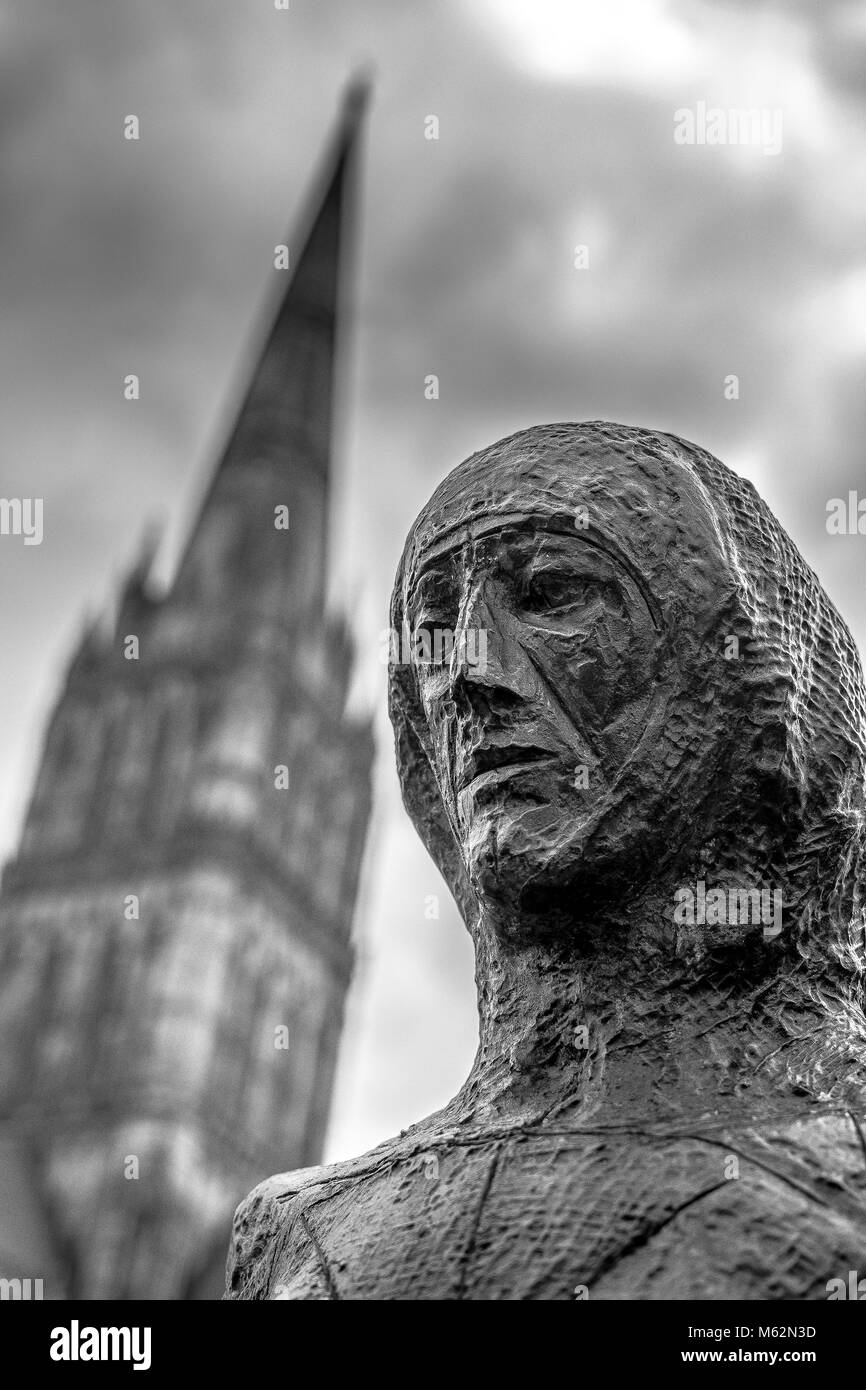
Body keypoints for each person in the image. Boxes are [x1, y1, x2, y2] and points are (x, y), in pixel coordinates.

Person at [227, 422, 866, 1300]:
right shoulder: (295, 1230)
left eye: (553, 591)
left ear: (736, 663)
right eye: (431, 633)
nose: (466, 671)